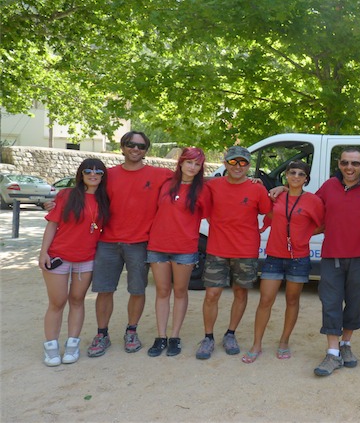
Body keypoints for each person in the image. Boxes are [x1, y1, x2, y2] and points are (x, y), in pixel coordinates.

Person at [87, 131, 174, 357]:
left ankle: (131, 331)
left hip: (140, 243)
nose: (135, 149)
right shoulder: (108, 175)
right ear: (122, 147)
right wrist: (56, 200)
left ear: (146, 150)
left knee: (137, 290)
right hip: (107, 242)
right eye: (130, 144)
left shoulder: (159, 174)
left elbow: (192, 178)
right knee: (104, 290)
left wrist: (250, 181)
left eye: (141, 146)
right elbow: (84, 191)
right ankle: (102, 334)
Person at [242, 161, 324, 363]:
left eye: (301, 174)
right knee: (265, 300)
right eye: (292, 172)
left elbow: (322, 225)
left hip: (299, 257)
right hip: (274, 256)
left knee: (292, 300)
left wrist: (303, 236)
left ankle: (284, 341)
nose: (296, 176)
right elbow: (265, 208)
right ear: (286, 175)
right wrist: (256, 183)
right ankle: (257, 344)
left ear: (306, 178)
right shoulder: (276, 195)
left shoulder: (312, 201)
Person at [195, 146, 272, 360]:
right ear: (225, 162)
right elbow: (206, 211)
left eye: (243, 162)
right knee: (212, 294)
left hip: (245, 251)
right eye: (233, 162)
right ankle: (208, 337)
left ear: (248, 165)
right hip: (217, 249)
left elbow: (269, 211)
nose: (238, 166)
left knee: (240, 293)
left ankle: (230, 334)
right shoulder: (214, 186)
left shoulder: (257, 188)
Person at [312, 147, 360, 376]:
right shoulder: (330, 185)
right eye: (345, 163)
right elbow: (308, 204)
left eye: (354, 163)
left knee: (354, 302)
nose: (349, 168)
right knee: (330, 301)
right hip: (332, 254)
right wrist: (281, 188)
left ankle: (346, 346)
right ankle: (332, 353)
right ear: (339, 164)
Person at [39, 159, 110, 366]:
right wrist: (43, 252)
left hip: (86, 259)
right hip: (59, 256)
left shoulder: (105, 199)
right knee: (57, 302)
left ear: (103, 176)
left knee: (77, 300)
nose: (93, 174)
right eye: (88, 170)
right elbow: (52, 224)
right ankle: (51, 347)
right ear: (81, 174)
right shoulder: (66, 195)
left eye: (98, 171)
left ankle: (72, 344)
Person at [145, 147, 209, 357]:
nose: (192, 167)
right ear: (181, 162)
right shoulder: (165, 183)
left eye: (197, 164)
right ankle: (161, 336)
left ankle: (175, 336)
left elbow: (212, 214)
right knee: (162, 292)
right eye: (189, 162)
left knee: (180, 292)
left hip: (184, 248)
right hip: (158, 246)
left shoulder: (202, 190)